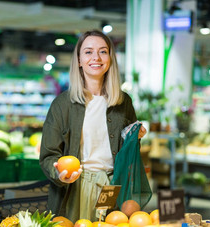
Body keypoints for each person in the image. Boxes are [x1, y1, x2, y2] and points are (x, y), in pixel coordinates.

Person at [39, 30, 147, 222]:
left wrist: (134, 137)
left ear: (110, 59)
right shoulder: (62, 104)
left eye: (103, 52)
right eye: (88, 52)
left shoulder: (123, 102)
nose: (96, 57)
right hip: (74, 188)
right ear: (79, 60)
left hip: (110, 186)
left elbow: (128, 156)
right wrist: (59, 174)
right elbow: (48, 155)